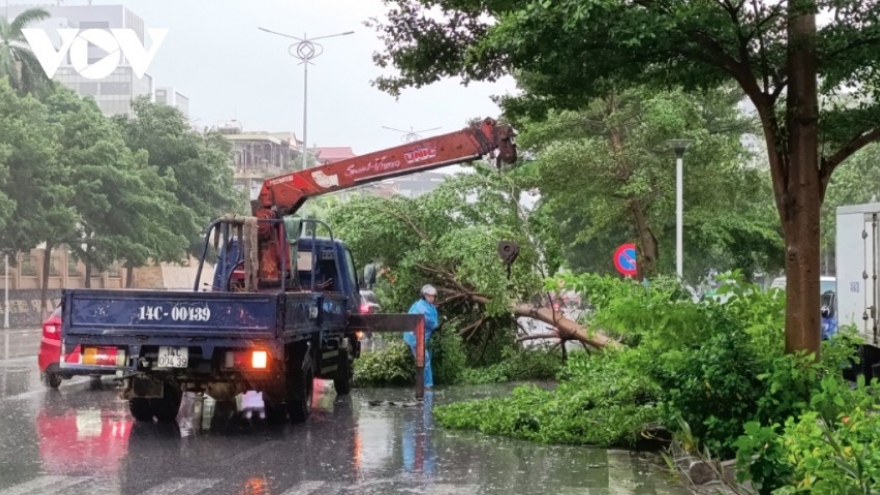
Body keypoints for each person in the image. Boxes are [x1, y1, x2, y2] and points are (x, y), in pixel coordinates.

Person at [402, 284, 440, 390]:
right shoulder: (423, 308)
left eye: (433, 296)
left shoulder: (423, 304)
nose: (431, 298)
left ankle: (423, 382)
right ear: (424, 296)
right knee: (424, 359)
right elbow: (433, 324)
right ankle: (426, 386)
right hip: (416, 338)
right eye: (429, 296)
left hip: (418, 337)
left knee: (428, 355)